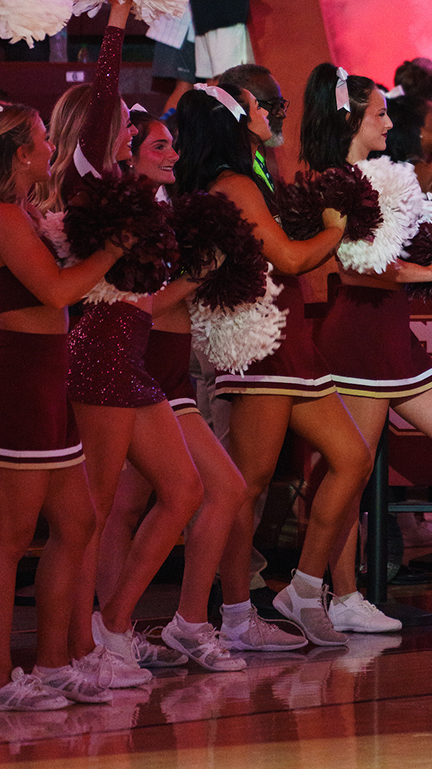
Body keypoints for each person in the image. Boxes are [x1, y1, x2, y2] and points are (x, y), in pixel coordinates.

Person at [39, 0, 208, 688]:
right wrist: (116, 22)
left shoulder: (121, 188)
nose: (127, 132)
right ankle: (81, 652)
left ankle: (110, 630)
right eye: (117, 128)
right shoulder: (85, 185)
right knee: (91, 514)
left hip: (128, 362)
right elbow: (107, 98)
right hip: (99, 355)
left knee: (185, 487)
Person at [173, 83, 373, 649]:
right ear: (235, 121)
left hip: (289, 342)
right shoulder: (233, 183)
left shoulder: (249, 174)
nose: (268, 113)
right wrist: (338, 226)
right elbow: (286, 257)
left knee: (350, 456)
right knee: (244, 486)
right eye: (257, 107)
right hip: (261, 347)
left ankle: (304, 589)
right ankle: (234, 616)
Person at [302, 64, 432, 631]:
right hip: (359, 333)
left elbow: (394, 252)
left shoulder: (384, 176)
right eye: (378, 113)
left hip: (391, 331)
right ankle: (339, 596)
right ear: (351, 119)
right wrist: (422, 273)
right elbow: (354, 270)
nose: (390, 122)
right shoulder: (336, 181)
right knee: (350, 473)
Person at [94, 106, 259, 673]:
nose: (172, 156)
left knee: (185, 494)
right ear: (130, 152)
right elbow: (134, 309)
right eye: (157, 147)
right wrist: (197, 276)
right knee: (149, 499)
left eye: (173, 146)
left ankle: (161, 623)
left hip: (170, 372)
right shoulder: (121, 216)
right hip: (139, 366)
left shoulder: (167, 211)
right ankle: (117, 627)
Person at [0, 102, 125, 710]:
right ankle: (3, 678)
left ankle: (51, 665)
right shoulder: (2, 218)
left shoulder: (23, 212)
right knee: (10, 538)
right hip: (19, 379)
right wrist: (110, 254)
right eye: (44, 138)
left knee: (76, 522)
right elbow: (53, 292)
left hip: (49, 379)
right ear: (22, 153)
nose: (51, 145)